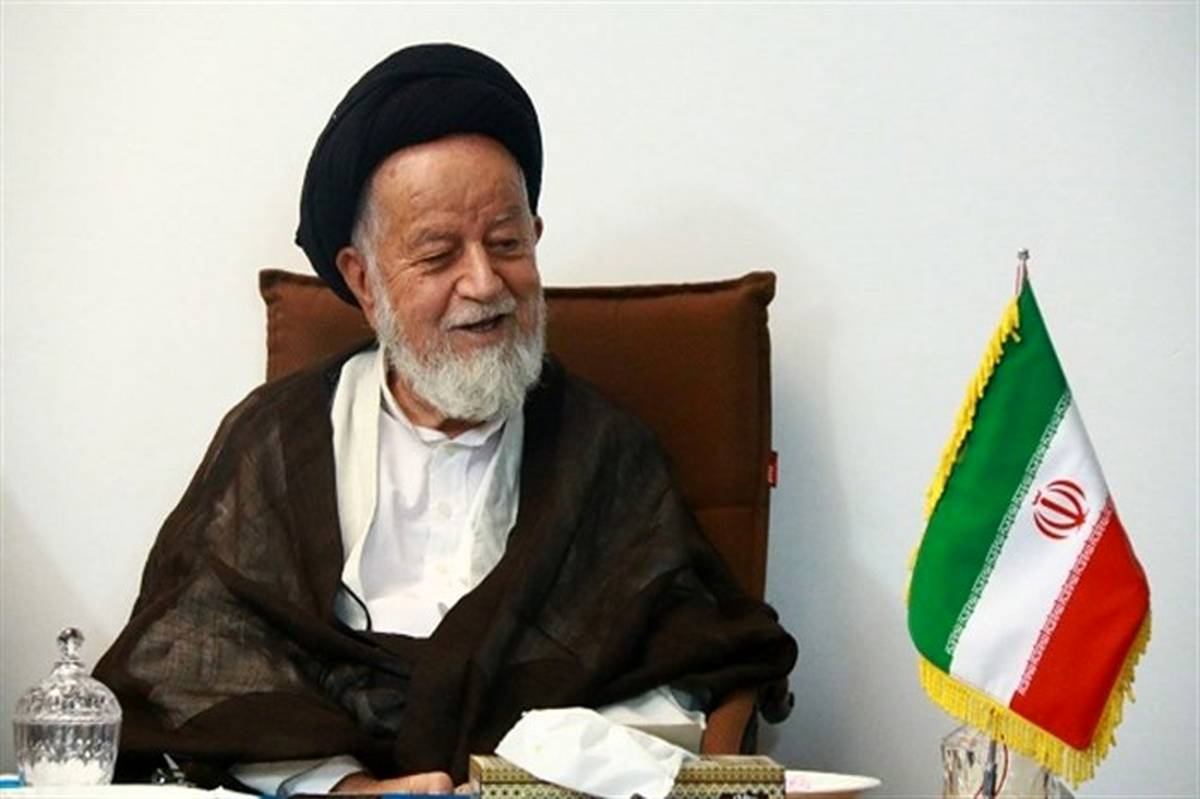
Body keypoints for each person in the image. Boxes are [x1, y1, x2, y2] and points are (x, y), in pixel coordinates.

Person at [94, 43, 797, 796]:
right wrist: (340, 787)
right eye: (438, 255)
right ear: (364, 282)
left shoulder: (605, 453)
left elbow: (689, 659)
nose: (485, 283)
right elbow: (191, 655)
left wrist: (536, 776)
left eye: (507, 244)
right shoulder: (277, 438)